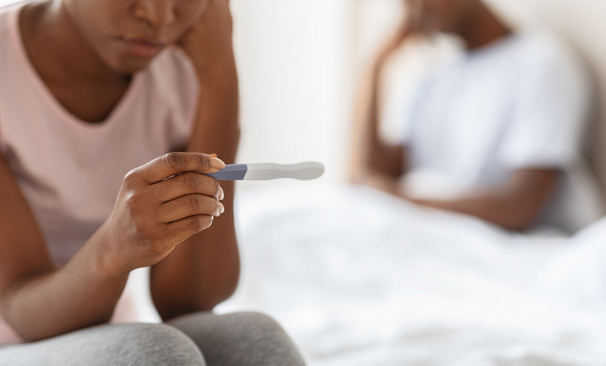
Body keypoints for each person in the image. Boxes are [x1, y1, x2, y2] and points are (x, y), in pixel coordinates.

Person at [0, 0, 306, 364]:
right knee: (157, 354)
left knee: (255, 338)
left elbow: (188, 301)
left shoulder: (183, 67)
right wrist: (112, 252)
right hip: (15, 329)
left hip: (98, 326)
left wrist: (220, 75)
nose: (159, 17)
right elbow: (17, 305)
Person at [355, 0, 603, 233]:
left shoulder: (541, 64)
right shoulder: (435, 78)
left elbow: (520, 206)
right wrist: (376, 66)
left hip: (497, 245)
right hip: (423, 231)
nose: (414, 7)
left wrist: (401, 202)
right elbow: (373, 174)